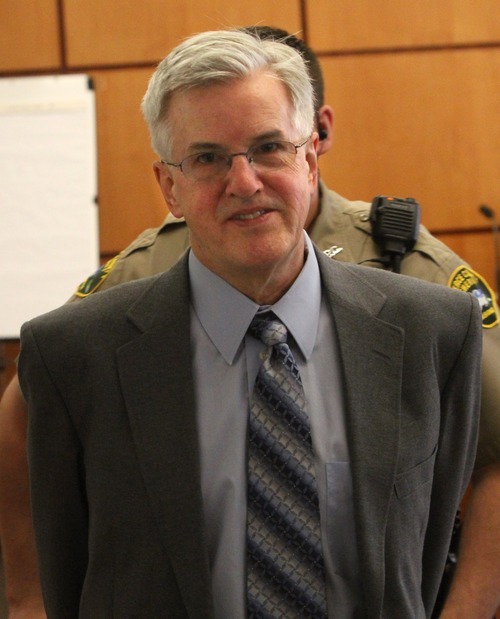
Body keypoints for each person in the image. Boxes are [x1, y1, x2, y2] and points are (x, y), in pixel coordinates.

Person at [0, 26, 498, 618]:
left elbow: (432, 530)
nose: (244, 182)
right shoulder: (75, 350)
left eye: (269, 148)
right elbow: (65, 559)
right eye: (207, 158)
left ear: (310, 156)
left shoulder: (431, 330)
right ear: (170, 187)